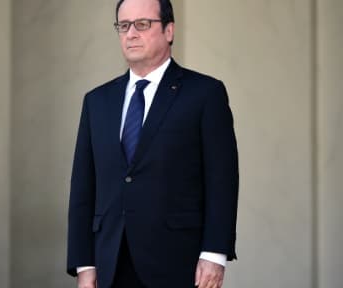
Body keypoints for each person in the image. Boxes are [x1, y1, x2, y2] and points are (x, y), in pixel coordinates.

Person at [67, 0, 239, 287]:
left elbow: (222, 180)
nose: (131, 33)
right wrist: (84, 263)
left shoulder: (205, 94)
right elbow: (83, 188)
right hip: (110, 263)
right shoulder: (97, 101)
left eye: (142, 24)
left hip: (179, 262)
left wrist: (214, 253)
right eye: (123, 26)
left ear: (169, 30)